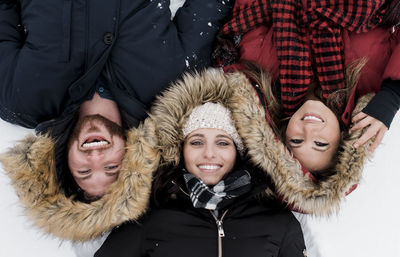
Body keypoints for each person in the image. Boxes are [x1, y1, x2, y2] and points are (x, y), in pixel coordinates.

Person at [0, 0, 234, 200]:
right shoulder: (172, 86)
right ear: (131, 158)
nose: (96, 157)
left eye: (84, 171)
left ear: (65, 164)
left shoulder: (22, 99)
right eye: (111, 168)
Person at [212, 0, 400, 179]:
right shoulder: (368, 81)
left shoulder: (261, 71)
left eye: (296, 141)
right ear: (343, 138)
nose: (309, 131)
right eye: (320, 143)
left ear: (282, 134)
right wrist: (393, 93)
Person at [95, 100, 307, 257]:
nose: (209, 153)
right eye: (196, 142)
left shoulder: (277, 221)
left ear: (238, 152)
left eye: (223, 143)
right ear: (182, 151)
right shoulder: (152, 219)